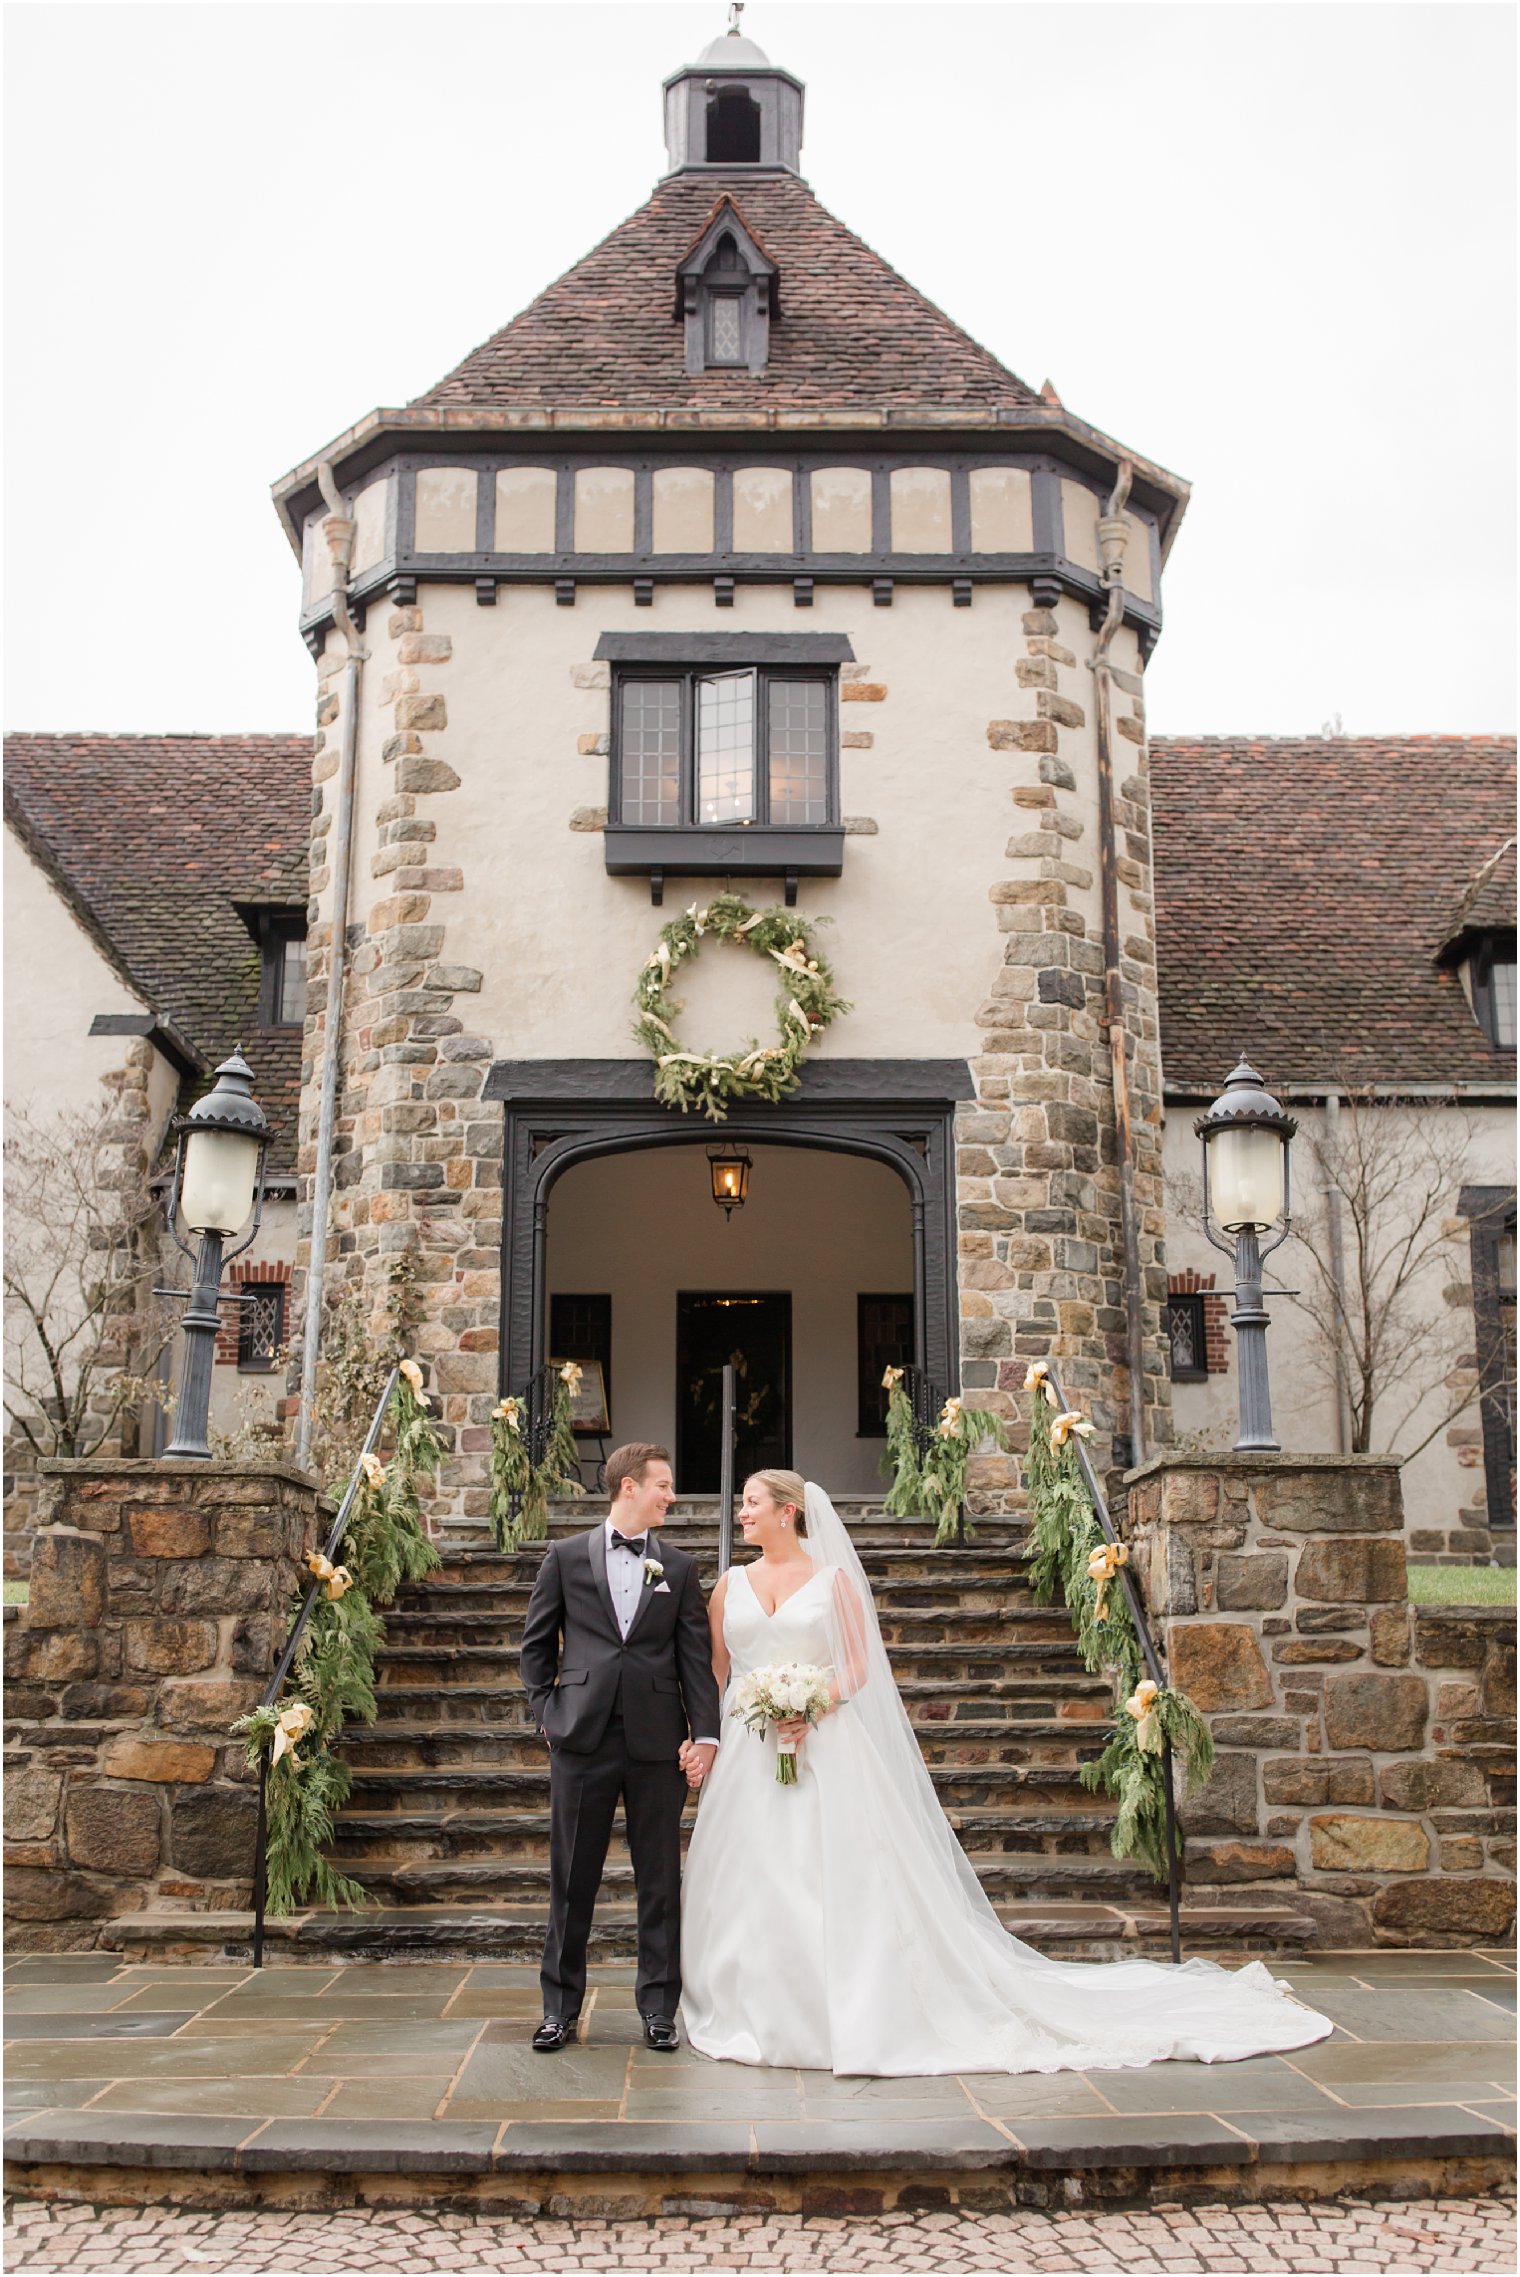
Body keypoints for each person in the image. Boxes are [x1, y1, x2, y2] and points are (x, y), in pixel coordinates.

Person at [678, 1468, 1333, 2077]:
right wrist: (705, 1736)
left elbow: (857, 1665)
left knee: (835, 1877)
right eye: (741, 1505)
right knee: (749, 1875)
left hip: (824, 1743)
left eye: (751, 1503)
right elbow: (712, 1671)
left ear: (787, 1512)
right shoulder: (729, 1584)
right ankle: (748, 2007)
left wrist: (814, 1706)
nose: (740, 1512)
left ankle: (842, 2008)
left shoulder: (832, 1581)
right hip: (747, 1746)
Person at [519, 1441, 721, 2054]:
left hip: (657, 1744)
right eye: (663, 1484)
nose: (672, 1495)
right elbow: (535, 1647)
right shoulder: (565, 1557)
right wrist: (547, 1713)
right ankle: (559, 2010)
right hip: (581, 1738)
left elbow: (694, 1662)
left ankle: (659, 2010)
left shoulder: (681, 1569)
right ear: (629, 1487)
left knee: (659, 1880)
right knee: (571, 1879)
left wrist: (704, 1734)